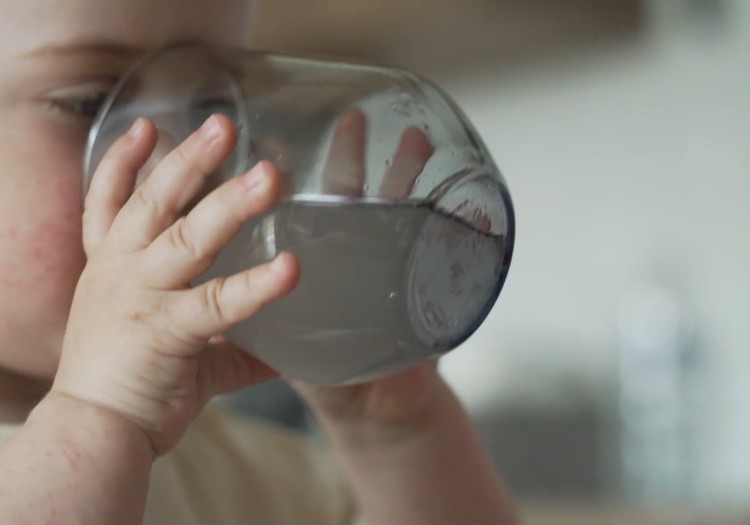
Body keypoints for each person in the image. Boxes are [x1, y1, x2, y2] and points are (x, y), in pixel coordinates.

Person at [0, 1, 518, 524]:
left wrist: (398, 435)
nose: (172, 160)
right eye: (91, 103)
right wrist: (100, 415)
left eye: (206, 107)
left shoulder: (251, 477)